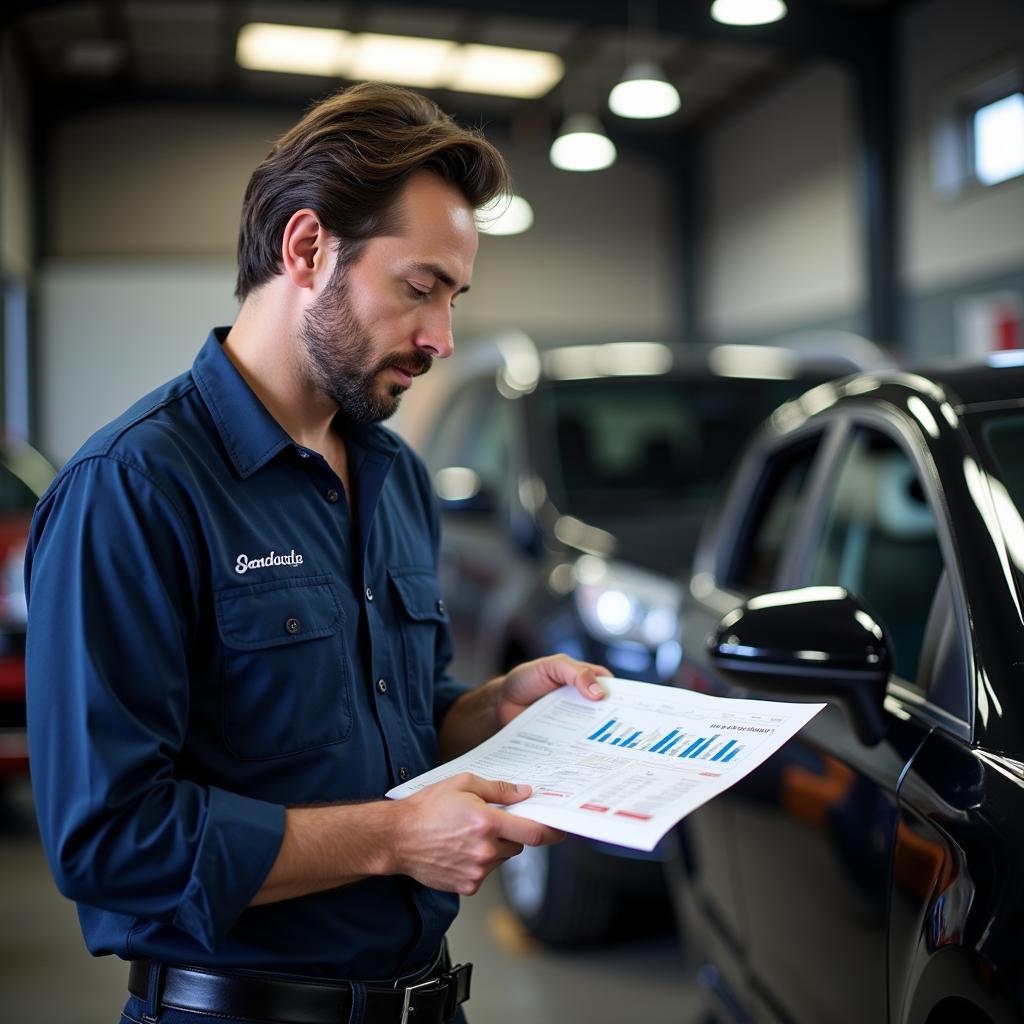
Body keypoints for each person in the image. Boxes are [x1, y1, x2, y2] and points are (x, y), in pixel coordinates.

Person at [25, 82, 608, 1024]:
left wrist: (493, 710)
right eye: (419, 288)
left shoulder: (393, 478)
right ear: (306, 248)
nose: (440, 339)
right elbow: (110, 842)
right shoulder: (133, 489)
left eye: (453, 298)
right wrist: (392, 840)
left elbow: (398, 718)